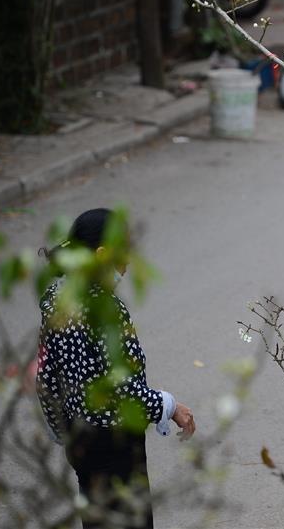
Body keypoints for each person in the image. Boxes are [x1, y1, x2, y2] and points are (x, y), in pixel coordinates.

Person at [36, 208, 196, 529]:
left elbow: (47, 378)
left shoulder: (56, 299)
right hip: (116, 444)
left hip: (81, 442)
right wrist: (169, 406)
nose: (127, 265)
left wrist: (62, 430)